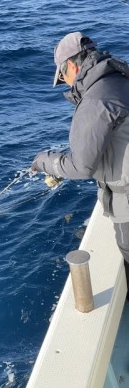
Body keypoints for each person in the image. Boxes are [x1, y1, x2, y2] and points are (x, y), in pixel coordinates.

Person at [31, 31, 129, 291]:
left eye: (63, 76)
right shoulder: (119, 77)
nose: (65, 83)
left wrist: (44, 161)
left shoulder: (95, 100)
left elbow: (82, 166)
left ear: (72, 66)